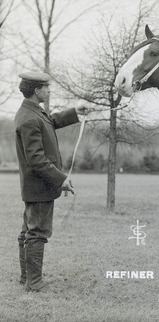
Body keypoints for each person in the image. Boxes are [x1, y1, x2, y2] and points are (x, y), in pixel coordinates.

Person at [14, 71, 88, 292]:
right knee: (36, 232)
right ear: (37, 90)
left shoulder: (33, 112)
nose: (49, 90)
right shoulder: (28, 117)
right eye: (46, 87)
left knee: (28, 230)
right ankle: (34, 283)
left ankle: (26, 278)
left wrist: (75, 112)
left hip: (36, 187)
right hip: (39, 187)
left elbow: (51, 121)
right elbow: (36, 159)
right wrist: (61, 179)